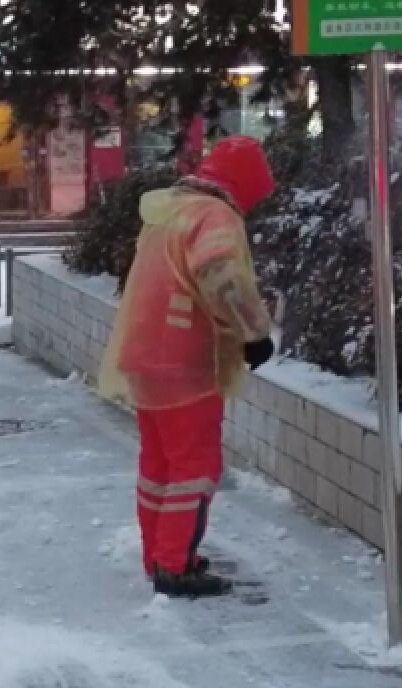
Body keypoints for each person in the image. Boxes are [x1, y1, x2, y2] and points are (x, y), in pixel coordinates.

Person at [98, 136, 277, 599]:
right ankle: (175, 566)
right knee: (194, 466)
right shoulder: (212, 215)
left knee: (158, 464)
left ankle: (157, 554)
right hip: (184, 359)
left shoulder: (171, 210)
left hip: (144, 353)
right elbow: (222, 275)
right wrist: (253, 332)